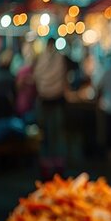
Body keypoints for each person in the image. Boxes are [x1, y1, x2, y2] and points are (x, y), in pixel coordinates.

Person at [33, 38, 68, 179]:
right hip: (56, 101)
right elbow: (63, 77)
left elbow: (37, 76)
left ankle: (47, 165)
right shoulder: (60, 59)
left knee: (47, 134)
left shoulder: (42, 59)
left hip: (45, 101)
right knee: (55, 134)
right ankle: (57, 165)